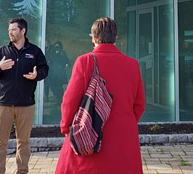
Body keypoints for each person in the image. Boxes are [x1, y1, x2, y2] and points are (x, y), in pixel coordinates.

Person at [55, 17, 146, 174]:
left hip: (91, 135)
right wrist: (124, 122)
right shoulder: (132, 65)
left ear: (94, 38)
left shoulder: (85, 61)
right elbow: (139, 105)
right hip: (124, 137)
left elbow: (69, 102)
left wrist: (67, 128)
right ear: (115, 38)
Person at [0, 18, 48, 174]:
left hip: (26, 105)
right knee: (0, 143)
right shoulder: (2, 51)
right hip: (3, 104)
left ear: (23, 31)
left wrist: (37, 75)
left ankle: (22, 171)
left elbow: (44, 69)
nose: (10, 32)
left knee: (24, 142)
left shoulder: (35, 51)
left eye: (13, 29)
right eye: (9, 30)